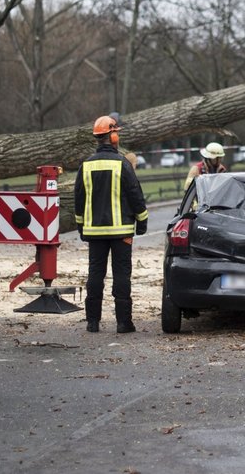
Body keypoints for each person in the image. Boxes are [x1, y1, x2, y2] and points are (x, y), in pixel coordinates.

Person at [74, 115, 149, 334]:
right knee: (122, 275)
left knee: (95, 275)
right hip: (121, 232)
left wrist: (81, 226)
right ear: (113, 135)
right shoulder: (122, 164)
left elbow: (79, 198)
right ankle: (123, 323)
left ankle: (92, 322)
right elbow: (135, 194)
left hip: (94, 232)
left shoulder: (86, 166)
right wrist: (142, 221)